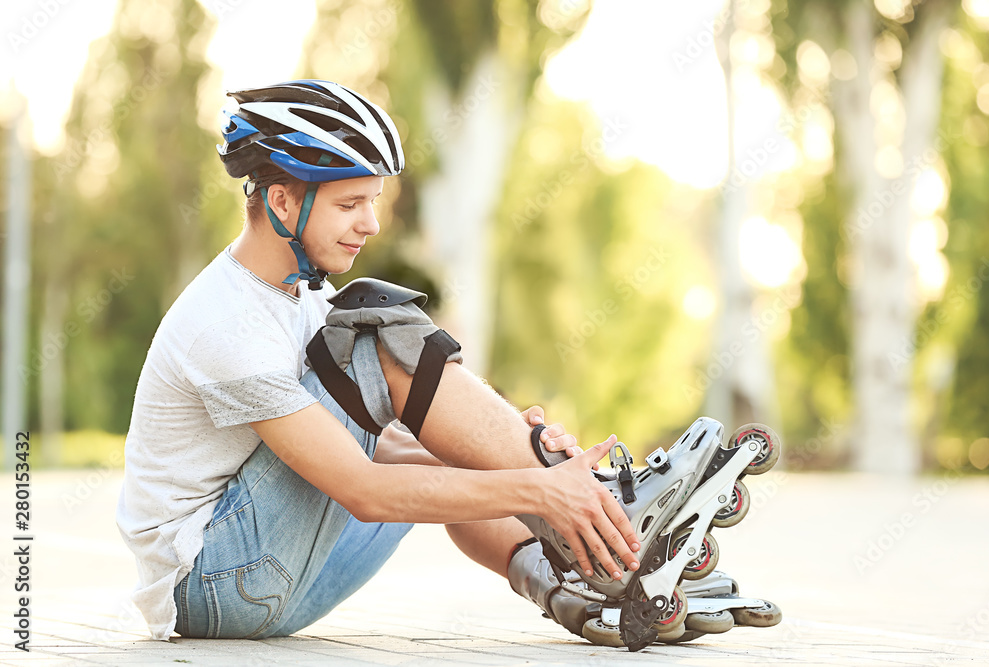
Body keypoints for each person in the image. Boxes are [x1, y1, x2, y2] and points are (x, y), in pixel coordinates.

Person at [116, 80, 640, 642]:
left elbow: (377, 450)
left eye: (372, 201)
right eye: (349, 204)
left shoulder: (306, 300)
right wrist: (538, 488)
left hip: (263, 579)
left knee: (450, 454)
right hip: (211, 584)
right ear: (281, 201)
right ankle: (601, 510)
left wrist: (501, 450)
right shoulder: (226, 324)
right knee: (375, 332)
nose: (371, 223)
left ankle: (584, 580)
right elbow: (363, 490)